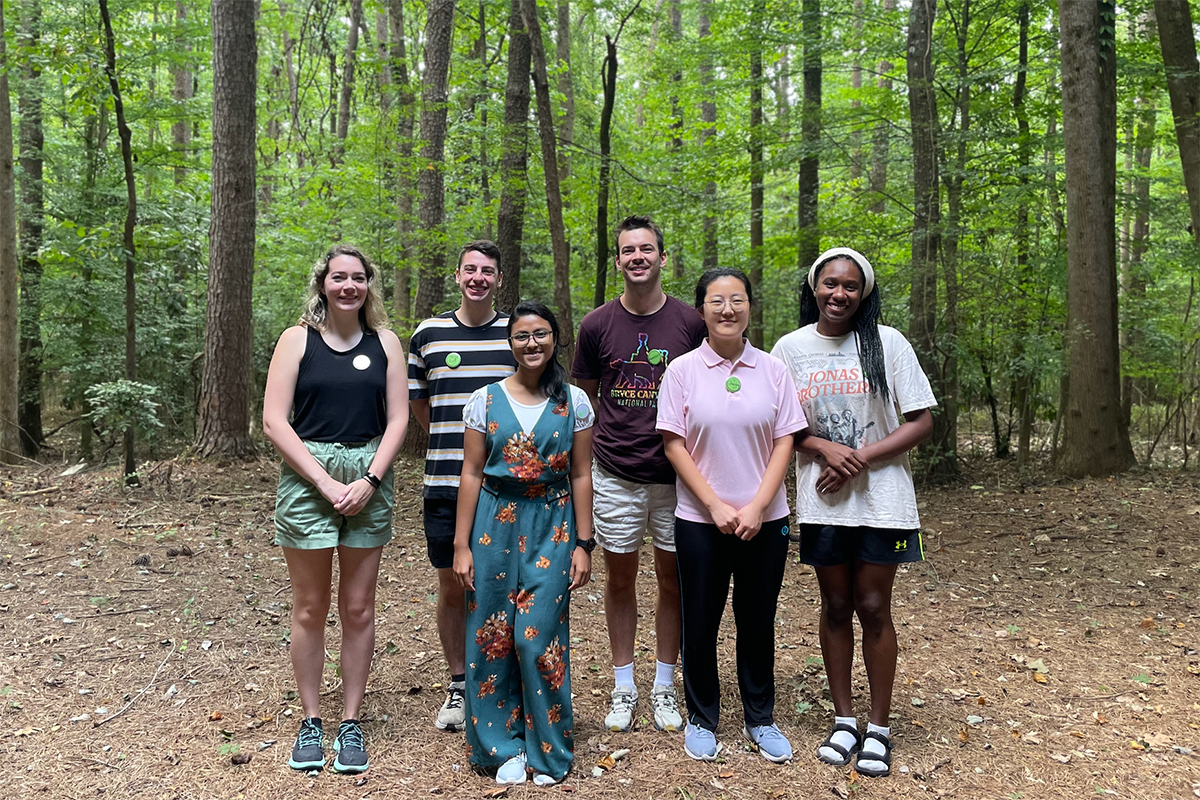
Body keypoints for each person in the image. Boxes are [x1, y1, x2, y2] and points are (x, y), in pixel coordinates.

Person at [771, 247, 935, 778]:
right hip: (824, 499)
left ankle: (879, 728)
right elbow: (780, 425)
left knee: (873, 605)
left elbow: (921, 420)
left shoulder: (887, 343)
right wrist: (824, 449)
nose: (838, 294)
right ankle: (844, 721)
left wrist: (859, 456)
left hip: (882, 498)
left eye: (849, 286)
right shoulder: (790, 349)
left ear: (863, 292)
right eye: (829, 284)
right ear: (814, 287)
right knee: (836, 604)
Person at [263, 245, 408, 774]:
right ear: (323, 283)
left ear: (370, 285)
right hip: (308, 479)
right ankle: (311, 720)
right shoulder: (296, 340)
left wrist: (370, 478)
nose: (349, 286)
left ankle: (350, 721)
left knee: (358, 607)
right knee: (309, 607)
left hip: (370, 477)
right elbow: (276, 421)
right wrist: (325, 481)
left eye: (359, 278)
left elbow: (398, 421)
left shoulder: (386, 342)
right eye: (339, 277)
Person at [655, 268, 808, 763]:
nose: (727, 309)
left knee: (757, 618)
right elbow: (674, 445)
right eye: (716, 301)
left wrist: (760, 505)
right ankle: (702, 717)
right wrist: (715, 505)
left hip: (766, 519)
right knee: (700, 619)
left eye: (737, 300)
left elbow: (786, 438)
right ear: (701, 309)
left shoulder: (773, 369)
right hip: (700, 519)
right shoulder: (681, 371)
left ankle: (760, 718)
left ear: (749, 308)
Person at [571, 215, 706, 733]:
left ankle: (665, 687)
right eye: (628, 251)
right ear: (619, 260)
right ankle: (624, 685)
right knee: (620, 578)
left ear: (662, 257)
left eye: (646, 249)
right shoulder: (597, 324)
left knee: (673, 582)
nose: (637, 258)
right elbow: (585, 394)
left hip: (676, 475)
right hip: (616, 472)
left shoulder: (691, 323)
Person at [453, 301, 596, 786]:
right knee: (490, 633)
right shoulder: (484, 400)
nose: (531, 343)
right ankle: (499, 746)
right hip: (494, 523)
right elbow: (471, 472)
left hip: (552, 525)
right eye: (521, 336)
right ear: (510, 343)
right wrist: (461, 545)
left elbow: (580, 473)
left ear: (555, 339)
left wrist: (583, 542)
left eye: (540, 334)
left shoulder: (574, 401)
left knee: (537, 639)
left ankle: (548, 748)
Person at [408, 240, 517, 732]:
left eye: (487, 271)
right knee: (452, 583)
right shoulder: (428, 334)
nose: (478, 277)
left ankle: (501, 678)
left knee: (506, 584)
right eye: (470, 269)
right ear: (457, 276)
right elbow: (421, 408)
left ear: (499, 279)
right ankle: (458, 684)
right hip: (446, 483)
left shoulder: (514, 334)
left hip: (506, 487)